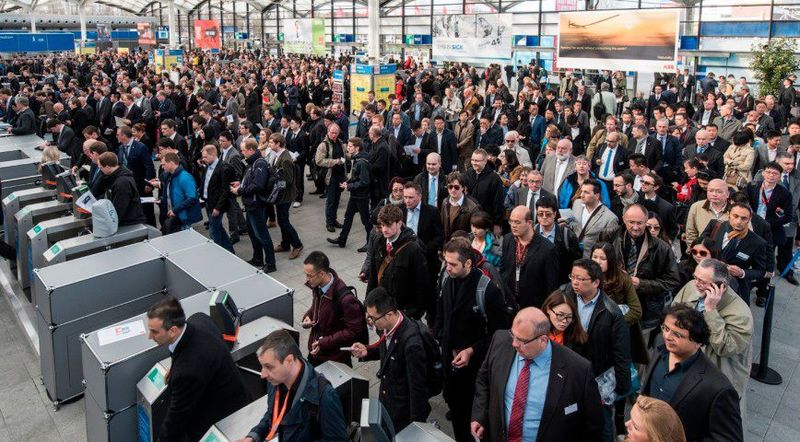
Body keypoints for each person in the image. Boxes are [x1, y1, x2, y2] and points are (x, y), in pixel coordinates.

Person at [470, 307, 603, 442]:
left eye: (522, 340)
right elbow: (483, 379)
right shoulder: (500, 340)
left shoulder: (578, 369)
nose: (514, 344)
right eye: (513, 334)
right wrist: (479, 415)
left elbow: (593, 426)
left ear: (543, 340)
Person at [146, 297, 249, 441]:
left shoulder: (187, 371)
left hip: (224, 418)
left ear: (172, 331)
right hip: (236, 393)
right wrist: (175, 363)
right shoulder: (199, 319)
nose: (149, 336)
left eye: (154, 332)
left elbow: (176, 420)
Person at [437, 238, 509, 442]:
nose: (447, 268)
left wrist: (472, 350)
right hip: (451, 368)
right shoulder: (446, 278)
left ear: (468, 263)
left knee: (475, 425)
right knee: (458, 418)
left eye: (453, 264)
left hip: (476, 373)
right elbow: (441, 314)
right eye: (446, 262)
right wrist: (442, 341)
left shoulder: (487, 290)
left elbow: (500, 334)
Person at [640, 304, 743, 442]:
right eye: (666, 328)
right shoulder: (660, 346)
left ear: (698, 343)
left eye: (677, 334)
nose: (667, 336)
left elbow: (729, 439)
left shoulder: (718, 387)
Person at [564, 258, 631, 441]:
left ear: (595, 282)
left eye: (581, 279)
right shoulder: (564, 296)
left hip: (598, 376)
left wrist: (621, 388)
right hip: (569, 372)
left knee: (601, 424)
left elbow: (621, 353)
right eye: (573, 277)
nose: (575, 282)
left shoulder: (611, 312)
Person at [239, 330, 348, 442]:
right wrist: (254, 436)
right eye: (262, 366)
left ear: (289, 360)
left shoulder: (325, 396)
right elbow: (272, 415)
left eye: (269, 367)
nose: (263, 374)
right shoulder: (274, 381)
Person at [671, 258, 754, 403]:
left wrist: (711, 310)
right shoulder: (692, 287)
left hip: (713, 376)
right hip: (685, 365)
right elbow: (673, 313)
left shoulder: (741, 314)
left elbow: (726, 348)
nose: (697, 283)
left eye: (703, 281)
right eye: (695, 277)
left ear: (721, 286)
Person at [351, 287, 431, 431]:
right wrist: (367, 351)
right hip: (388, 400)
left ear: (388, 315)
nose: (370, 321)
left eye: (373, 318)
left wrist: (416, 425)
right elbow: (387, 350)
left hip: (402, 411)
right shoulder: (387, 326)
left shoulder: (412, 344)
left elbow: (417, 388)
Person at [602, 204, 680, 328]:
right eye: (631, 222)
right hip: (613, 302)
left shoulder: (662, 248)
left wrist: (641, 284)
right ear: (623, 219)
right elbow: (595, 265)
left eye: (640, 223)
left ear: (646, 220)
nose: (635, 227)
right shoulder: (609, 236)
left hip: (647, 309)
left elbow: (672, 280)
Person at [301, 251, 366, 366]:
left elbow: (354, 330)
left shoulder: (346, 299)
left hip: (336, 358)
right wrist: (308, 316)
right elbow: (317, 306)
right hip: (317, 351)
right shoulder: (317, 286)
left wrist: (323, 342)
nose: (306, 279)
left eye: (309, 275)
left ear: (321, 274)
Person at [366, 204, 431, 320]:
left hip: (405, 313)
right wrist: (368, 306)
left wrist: (416, 313)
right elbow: (373, 277)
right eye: (382, 225)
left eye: (389, 225)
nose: (384, 229)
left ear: (399, 223)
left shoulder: (413, 248)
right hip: (382, 310)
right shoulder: (378, 242)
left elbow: (422, 284)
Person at [699, 203, 768, 303]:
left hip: (733, 288)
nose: (739, 221)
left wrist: (742, 273)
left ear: (749, 219)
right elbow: (700, 248)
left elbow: (760, 271)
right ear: (728, 214)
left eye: (744, 218)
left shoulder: (757, 243)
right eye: (735, 216)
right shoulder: (715, 226)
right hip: (706, 281)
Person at [231, 138, 276, 273]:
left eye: (243, 150)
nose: (242, 152)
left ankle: (271, 263)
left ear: (251, 150)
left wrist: (240, 190)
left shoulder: (259, 163)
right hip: (251, 204)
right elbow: (251, 180)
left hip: (256, 204)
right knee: (252, 233)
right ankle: (257, 258)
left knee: (262, 234)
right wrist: (241, 184)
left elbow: (258, 185)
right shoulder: (252, 162)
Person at [502, 206, 559, 308]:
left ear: (529, 223)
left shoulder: (547, 249)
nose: (513, 226)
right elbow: (504, 269)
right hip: (511, 303)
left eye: (517, 222)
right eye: (511, 222)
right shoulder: (508, 239)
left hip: (534, 306)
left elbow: (551, 285)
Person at [327, 137, 372, 249]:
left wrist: (349, 186)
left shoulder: (362, 162)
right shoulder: (357, 159)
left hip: (361, 196)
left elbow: (364, 181)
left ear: (357, 148)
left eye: (350, 146)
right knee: (348, 216)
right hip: (355, 194)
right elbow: (356, 177)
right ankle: (342, 240)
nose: (348, 148)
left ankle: (371, 243)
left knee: (365, 220)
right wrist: (348, 183)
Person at [268, 133, 304, 260]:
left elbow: (288, 180)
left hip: (285, 195)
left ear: (278, 144)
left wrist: (274, 182)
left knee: (283, 221)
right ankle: (285, 244)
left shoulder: (285, 159)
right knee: (282, 220)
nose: (269, 144)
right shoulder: (279, 155)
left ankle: (297, 244)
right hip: (281, 195)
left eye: (271, 142)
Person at [567, 179, 619, 258]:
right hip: (572, 256)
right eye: (582, 191)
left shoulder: (610, 218)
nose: (582, 195)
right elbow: (574, 226)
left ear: (597, 195)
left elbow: (610, 248)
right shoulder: (577, 203)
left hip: (591, 261)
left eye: (586, 192)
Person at [535, 196, 582, 284]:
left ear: (554, 214)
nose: (544, 217)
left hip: (561, 284)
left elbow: (576, 262)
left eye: (548, 214)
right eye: (541, 214)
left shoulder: (567, 235)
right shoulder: (532, 233)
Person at [200, 144, 235, 253]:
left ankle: (219, 254)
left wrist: (218, 208)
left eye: (205, 157)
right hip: (208, 202)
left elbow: (226, 190)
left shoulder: (224, 167)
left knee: (214, 231)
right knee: (218, 228)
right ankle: (229, 251)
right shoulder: (208, 166)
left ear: (213, 154)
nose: (203, 159)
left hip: (216, 206)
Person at [97, 152, 147, 226]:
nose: (100, 170)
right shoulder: (114, 177)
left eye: (101, 167)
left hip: (129, 223)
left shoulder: (122, 183)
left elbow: (119, 208)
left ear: (107, 167)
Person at [158, 152, 202, 232]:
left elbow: (192, 198)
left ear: (171, 163)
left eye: (164, 164)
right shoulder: (169, 176)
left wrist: (175, 210)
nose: (162, 166)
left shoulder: (185, 177)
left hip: (183, 218)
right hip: (176, 216)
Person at [465, 148, 504, 225]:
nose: (473, 163)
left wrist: (497, 224)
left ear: (485, 161)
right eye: (472, 160)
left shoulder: (494, 178)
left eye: (477, 161)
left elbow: (498, 203)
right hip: (469, 217)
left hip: (486, 220)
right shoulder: (469, 172)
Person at [441, 171, 482, 241]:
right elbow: (442, 226)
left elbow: (475, 232)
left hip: (463, 247)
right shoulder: (445, 202)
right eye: (450, 187)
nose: (453, 190)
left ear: (463, 188)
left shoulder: (473, 208)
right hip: (447, 246)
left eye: (456, 187)